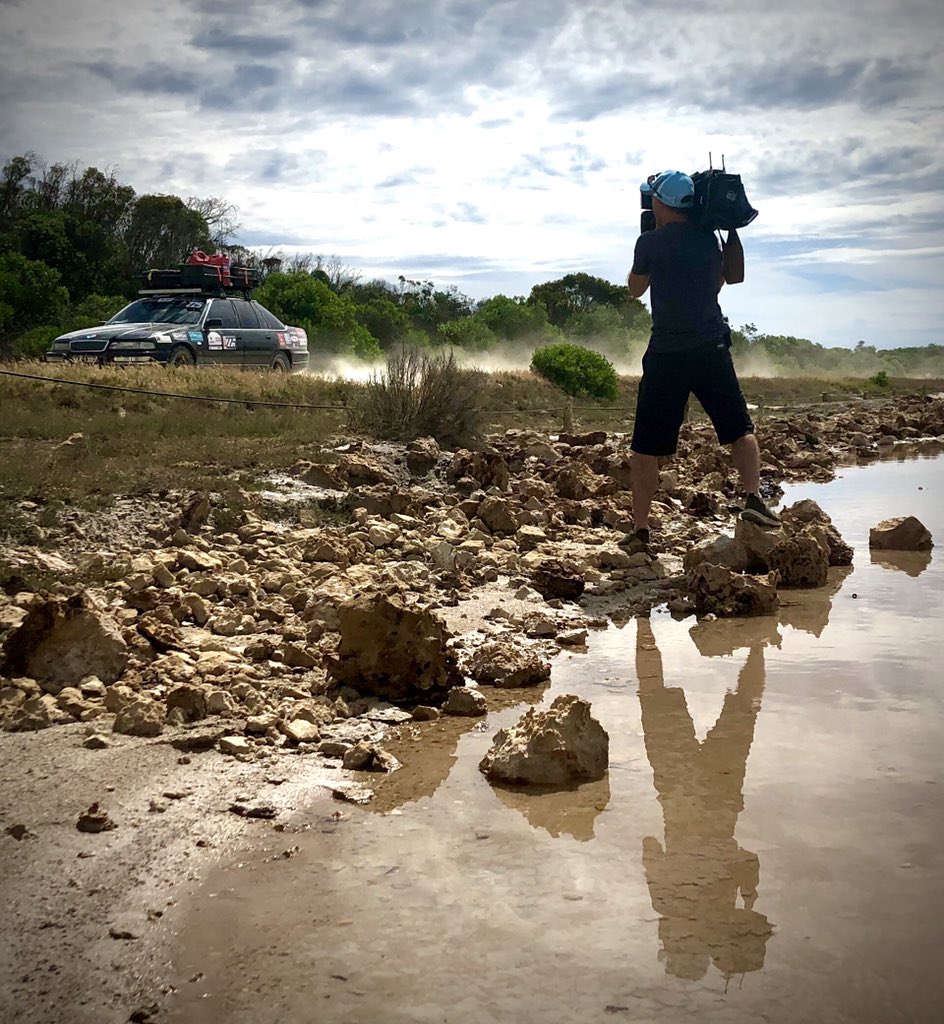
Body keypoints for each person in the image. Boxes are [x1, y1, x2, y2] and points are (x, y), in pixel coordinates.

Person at [625, 169, 779, 551]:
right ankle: (753, 500)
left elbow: (634, 289)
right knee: (738, 428)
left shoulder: (650, 242)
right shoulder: (710, 241)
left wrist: (647, 250)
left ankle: (641, 530)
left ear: (660, 203)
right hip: (710, 345)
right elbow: (725, 281)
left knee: (646, 445)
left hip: (666, 352)